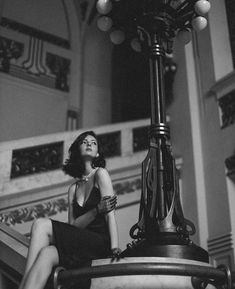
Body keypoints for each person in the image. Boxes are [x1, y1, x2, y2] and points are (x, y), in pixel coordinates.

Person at [19, 131, 121, 289]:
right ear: (77, 150)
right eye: (84, 142)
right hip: (80, 243)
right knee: (46, 254)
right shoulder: (73, 189)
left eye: (93, 143)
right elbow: (74, 225)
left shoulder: (101, 174)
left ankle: (22, 282)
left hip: (99, 243)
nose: (89, 144)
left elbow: (110, 214)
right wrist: (95, 211)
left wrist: (114, 247)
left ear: (98, 152)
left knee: (40, 224)